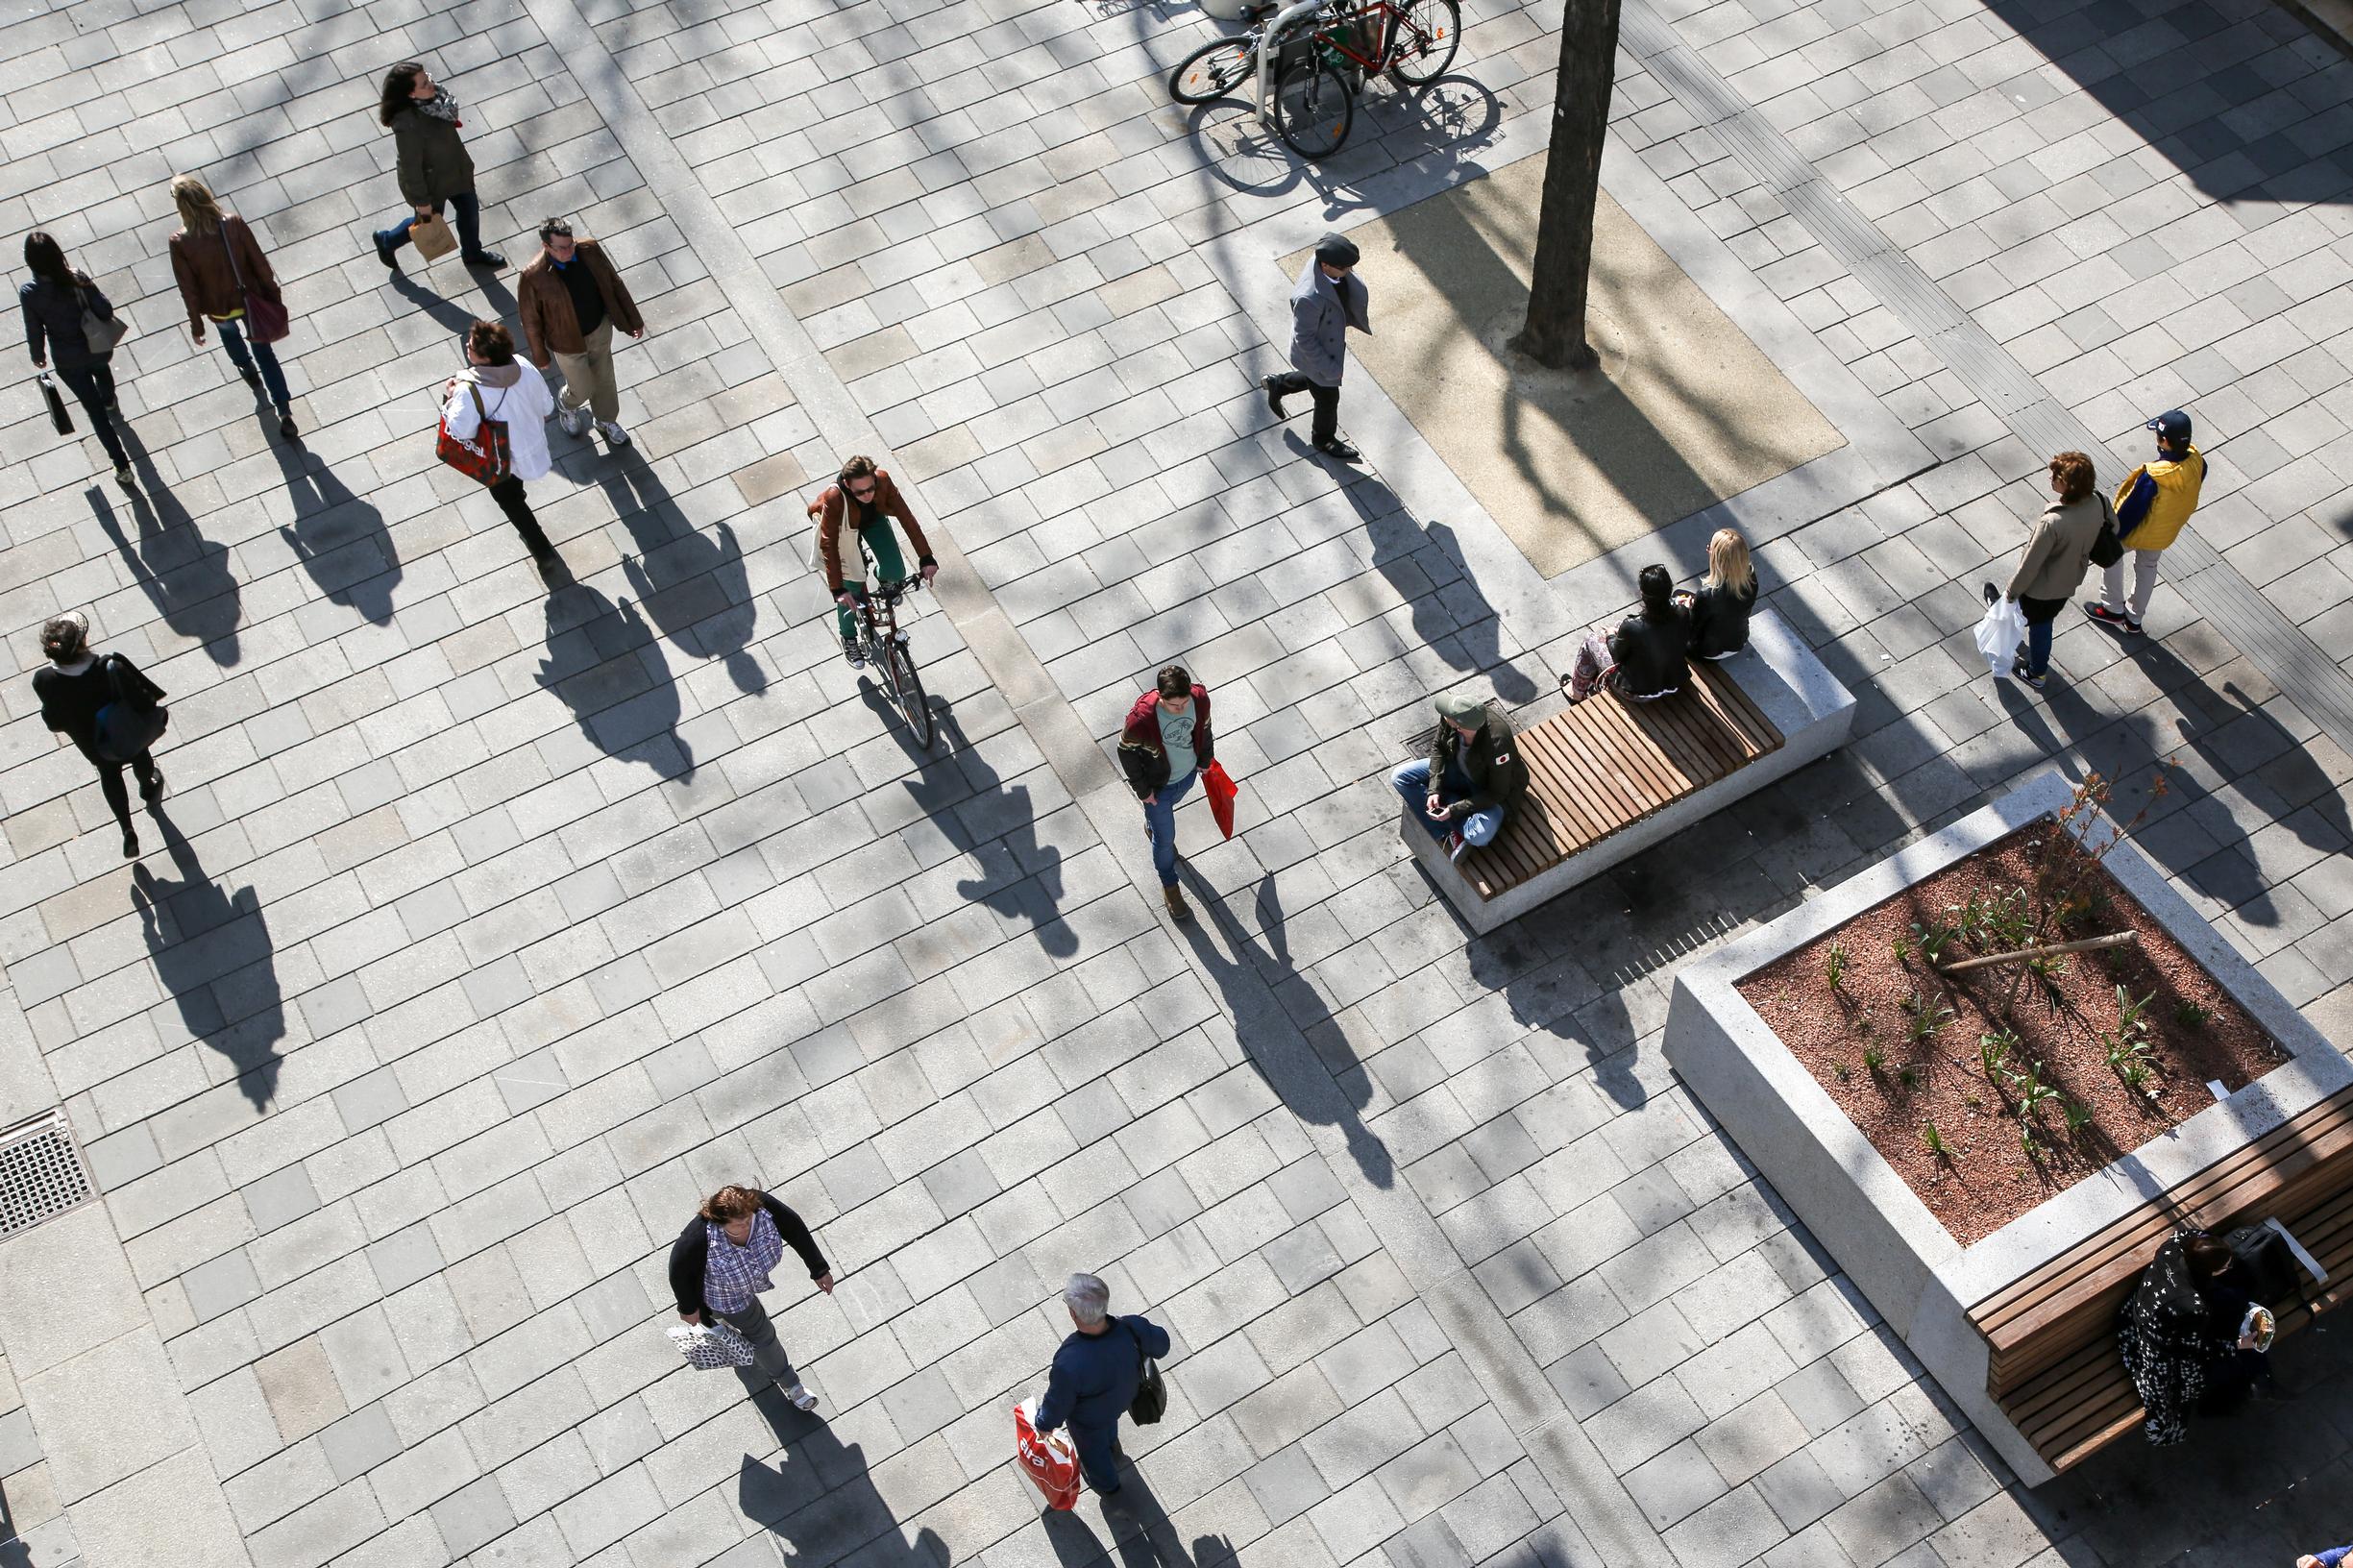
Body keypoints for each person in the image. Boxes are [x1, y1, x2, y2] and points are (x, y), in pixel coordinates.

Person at [670, 1184, 835, 1411]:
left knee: (731, 1325)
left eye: (749, 1219)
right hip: (724, 1295)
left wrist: (818, 1268)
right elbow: (678, 1269)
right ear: (720, 1222)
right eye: (739, 1225)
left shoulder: (761, 1207)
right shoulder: (699, 1237)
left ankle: (718, 1322)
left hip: (747, 1283)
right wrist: (688, 1308)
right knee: (763, 1336)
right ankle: (792, 1385)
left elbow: (794, 1227)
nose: (748, 1226)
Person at [2116, 1228, 2285, 1448]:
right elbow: (2196, 1351)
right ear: (2208, 1271)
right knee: (2219, 1366)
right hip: (2161, 1347)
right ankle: (2230, 1397)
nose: (2228, 1267)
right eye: (2225, 1266)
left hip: (2140, 1309)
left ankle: (2256, 1378)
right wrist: (2239, 1345)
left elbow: (2191, 1234)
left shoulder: (2173, 1247)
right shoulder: (2194, 1308)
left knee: (2234, 1299)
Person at [166, 173, 296, 441]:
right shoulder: (233, 223)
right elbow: (259, 261)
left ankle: (245, 368)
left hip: (219, 306)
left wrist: (196, 324)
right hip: (250, 301)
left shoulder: (180, 242)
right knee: (266, 355)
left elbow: (188, 289)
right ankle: (284, 411)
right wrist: (273, 294)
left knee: (229, 334)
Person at [32, 611, 166, 860]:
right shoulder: (108, 666)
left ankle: (127, 829)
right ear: (82, 644)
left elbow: (54, 722)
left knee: (109, 774)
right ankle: (148, 787)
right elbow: (143, 699)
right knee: (141, 757)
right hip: (127, 732)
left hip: (93, 743)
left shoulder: (44, 679)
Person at [1033, 1273, 1169, 1499]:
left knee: (1093, 1453)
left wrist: (1043, 1423)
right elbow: (1162, 1345)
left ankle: (1108, 1485)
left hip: (1089, 1419)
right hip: (1126, 1396)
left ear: (1074, 1314)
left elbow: (1058, 1402)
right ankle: (1113, 1445)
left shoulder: (1070, 1361)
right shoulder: (1132, 1327)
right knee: (1109, 1424)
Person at [439, 319, 559, 568]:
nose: (467, 348)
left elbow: (461, 429)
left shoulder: (468, 390)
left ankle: (541, 549)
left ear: (485, 359)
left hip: (500, 459)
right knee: (516, 492)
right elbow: (547, 406)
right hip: (532, 446)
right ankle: (521, 498)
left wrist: (449, 398)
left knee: (510, 502)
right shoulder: (523, 365)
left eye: (471, 347)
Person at [518, 218, 644, 449]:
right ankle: (567, 404)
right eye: (562, 248)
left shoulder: (590, 250)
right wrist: (540, 355)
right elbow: (530, 320)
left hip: (598, 329)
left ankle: (606, 420)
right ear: (546, 246)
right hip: (566, 341)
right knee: (582, 387)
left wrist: (633, 319)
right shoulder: (533, 276)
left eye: (571, 244)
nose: (569, 251)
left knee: (604, 380)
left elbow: (614, 283)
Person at [20, 231, 132, 487]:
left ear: (30, 261)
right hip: (97, 347)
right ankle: (109, 399)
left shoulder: (30, 292)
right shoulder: (76, 276)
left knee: (95, 414)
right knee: (102, 371)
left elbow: (33, 327)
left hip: (67, 360)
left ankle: (121, 464)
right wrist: (88, 287)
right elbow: (105, 310)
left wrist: (38, 355)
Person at [370, 62, 505, 271]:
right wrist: (422, 201)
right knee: (428, 222)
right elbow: (410, 167)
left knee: (469, 212)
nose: (432, 85)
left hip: (456, 171)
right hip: (431, 184)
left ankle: (472, 253)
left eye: (428, 78)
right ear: (410, 93)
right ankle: (387, 240)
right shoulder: (407, 125)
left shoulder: (438, 102)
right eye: (424, 84)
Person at [2087, 408, 2204, 637]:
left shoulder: (2153, 477)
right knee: (2148, 567)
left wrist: (2113, 534)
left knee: (2112, 558)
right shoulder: (2197, 462)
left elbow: (2132, 511)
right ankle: (2134, 618)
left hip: (2141, 531)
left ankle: (2112, 608)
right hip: (2164, 531)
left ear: (2164, 441)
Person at [809, 456, 937, 666]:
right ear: (848, 485)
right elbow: (829, 543)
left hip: (873, 520)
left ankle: (885, 580)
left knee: (896, 570)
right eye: (860, 492)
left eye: (870, 489)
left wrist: (926, 557)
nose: (867, 495)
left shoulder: (883, 481)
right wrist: (837, 589)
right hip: (844, 529)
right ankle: (848, 637)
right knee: (851, 587)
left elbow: (907, 517)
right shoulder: (835, 497)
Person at [1262, 233, 1370, 462]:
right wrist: (1330, 368)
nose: (1349, 272)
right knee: (1328, 398)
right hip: (1318, 353)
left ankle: (1278, 383)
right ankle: (1323, 439)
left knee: (1315, 381)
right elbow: (1305, 339)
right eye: (1344, 268)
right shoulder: (1309, 299)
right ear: (1326, 266)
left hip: (1323, 345)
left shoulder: (1322, 264)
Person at [2003, 451, 2106, 690]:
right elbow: (2114, 527)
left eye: (2056, 476)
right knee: (2043, 619)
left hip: (2043, 587)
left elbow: (2031, 565)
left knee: (2039, 624)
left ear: (2069, 485)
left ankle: (2036, 673)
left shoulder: (2053, 523)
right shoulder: (2100, 501)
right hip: (2070, 580)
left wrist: (2011, 591)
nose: (2051, 479)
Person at [1118, 666, 1213, 924]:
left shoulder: (1199, 699)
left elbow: (1205, 730)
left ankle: (1152, 825)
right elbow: (1125, 751)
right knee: (1165, 840)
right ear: (1160, 697)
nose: (1181, 709)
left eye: (1184, 703)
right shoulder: (1142, 719)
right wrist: (1143, 791)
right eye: (1174, 705)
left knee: (1163, 823)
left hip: (1187, 776)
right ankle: (1170, 886)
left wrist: (1206, 759)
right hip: (1158, 789)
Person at [1392, 692, 1526, 861]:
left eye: (1448, 716)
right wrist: (1434, 789)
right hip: (1458, 771)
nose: (1444, 715)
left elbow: (1498, 793)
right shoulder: (1453, 718)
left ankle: (1449, 813)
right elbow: (1439, 747)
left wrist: (1454, 810)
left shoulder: (1498, 743)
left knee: (1480, 836)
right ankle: (1447, 829)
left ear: (1460, 727)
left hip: (1487, 792)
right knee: (1400, 777)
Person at [1563, 564, 1693, 703]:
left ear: (1642, 594)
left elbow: (1616, 654)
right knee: (1620, 627)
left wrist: (1611, 636)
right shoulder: (1683, 613)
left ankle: (1575, 693)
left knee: (1591, 640)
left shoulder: (1632, 626)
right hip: (1674, 682)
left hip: (1639, 692)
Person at [1677, 527, 1756, 660]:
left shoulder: (1707, 594)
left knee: (1677, 598)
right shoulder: (1751, 578)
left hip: (1709, 652)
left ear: (1717, 558)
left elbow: (1694, 628)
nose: (1708, 550)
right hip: (1739, 641)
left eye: (1710, 548)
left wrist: (1687, 608)